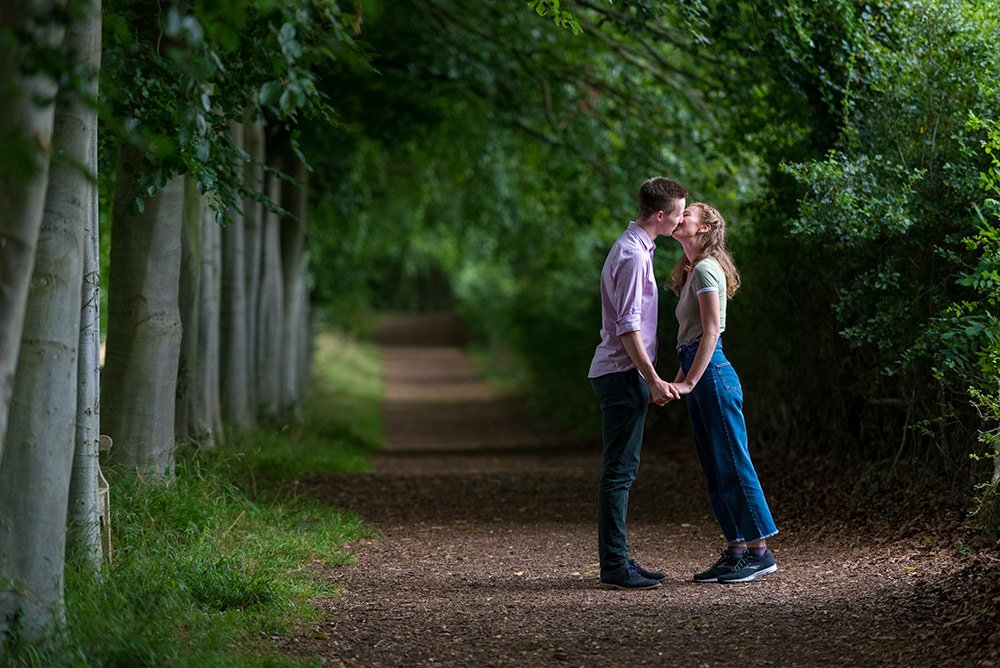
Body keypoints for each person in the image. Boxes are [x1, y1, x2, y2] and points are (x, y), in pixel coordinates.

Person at [666, 202, 778, 583]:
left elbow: (711, 332)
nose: (680, 217)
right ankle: (736, 548)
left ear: (705, 226)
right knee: (715, 466)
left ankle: (760, 553)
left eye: (688, 214)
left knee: (732, 460)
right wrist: (674, 382)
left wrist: (690, 381)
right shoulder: (690, 270)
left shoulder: (705, 268)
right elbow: (690, 337)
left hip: (713, 374)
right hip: (700, 371)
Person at [588, 176, 688, 590]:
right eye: (680, 214)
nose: (682, 221)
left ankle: (621, 558)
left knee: (623, 471)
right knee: (620, 473)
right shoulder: (632, 256)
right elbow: (628, 329)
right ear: (661, 216)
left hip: (623, 373)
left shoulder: (637, 249)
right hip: (621, 373)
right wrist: (653, 379)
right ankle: (614, 565)